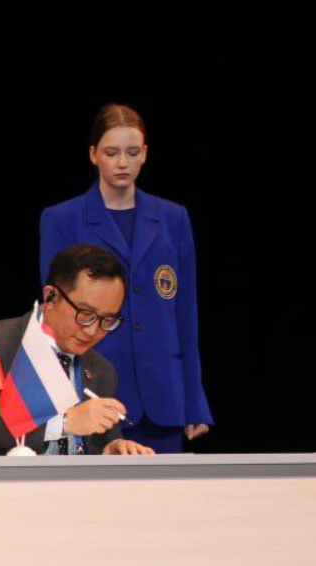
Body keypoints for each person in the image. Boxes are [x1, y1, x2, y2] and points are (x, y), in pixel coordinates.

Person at [38, 103, 212, 454]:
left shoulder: (173, 219)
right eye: (111, 153)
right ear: (93, 154)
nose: (122, 163)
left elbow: (185, 315)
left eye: (132, 153)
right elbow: (53, 317)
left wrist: (194, 401)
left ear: (144, 154)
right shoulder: (63, 219)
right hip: (93, 391)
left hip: (163, 394)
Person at [0, 243, 154, 456]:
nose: (92, 331)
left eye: (107, 320)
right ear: (51, 296)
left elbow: (101, 440)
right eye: (85, 313)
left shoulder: (102, 369)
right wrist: (64, 424)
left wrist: (114, 447)